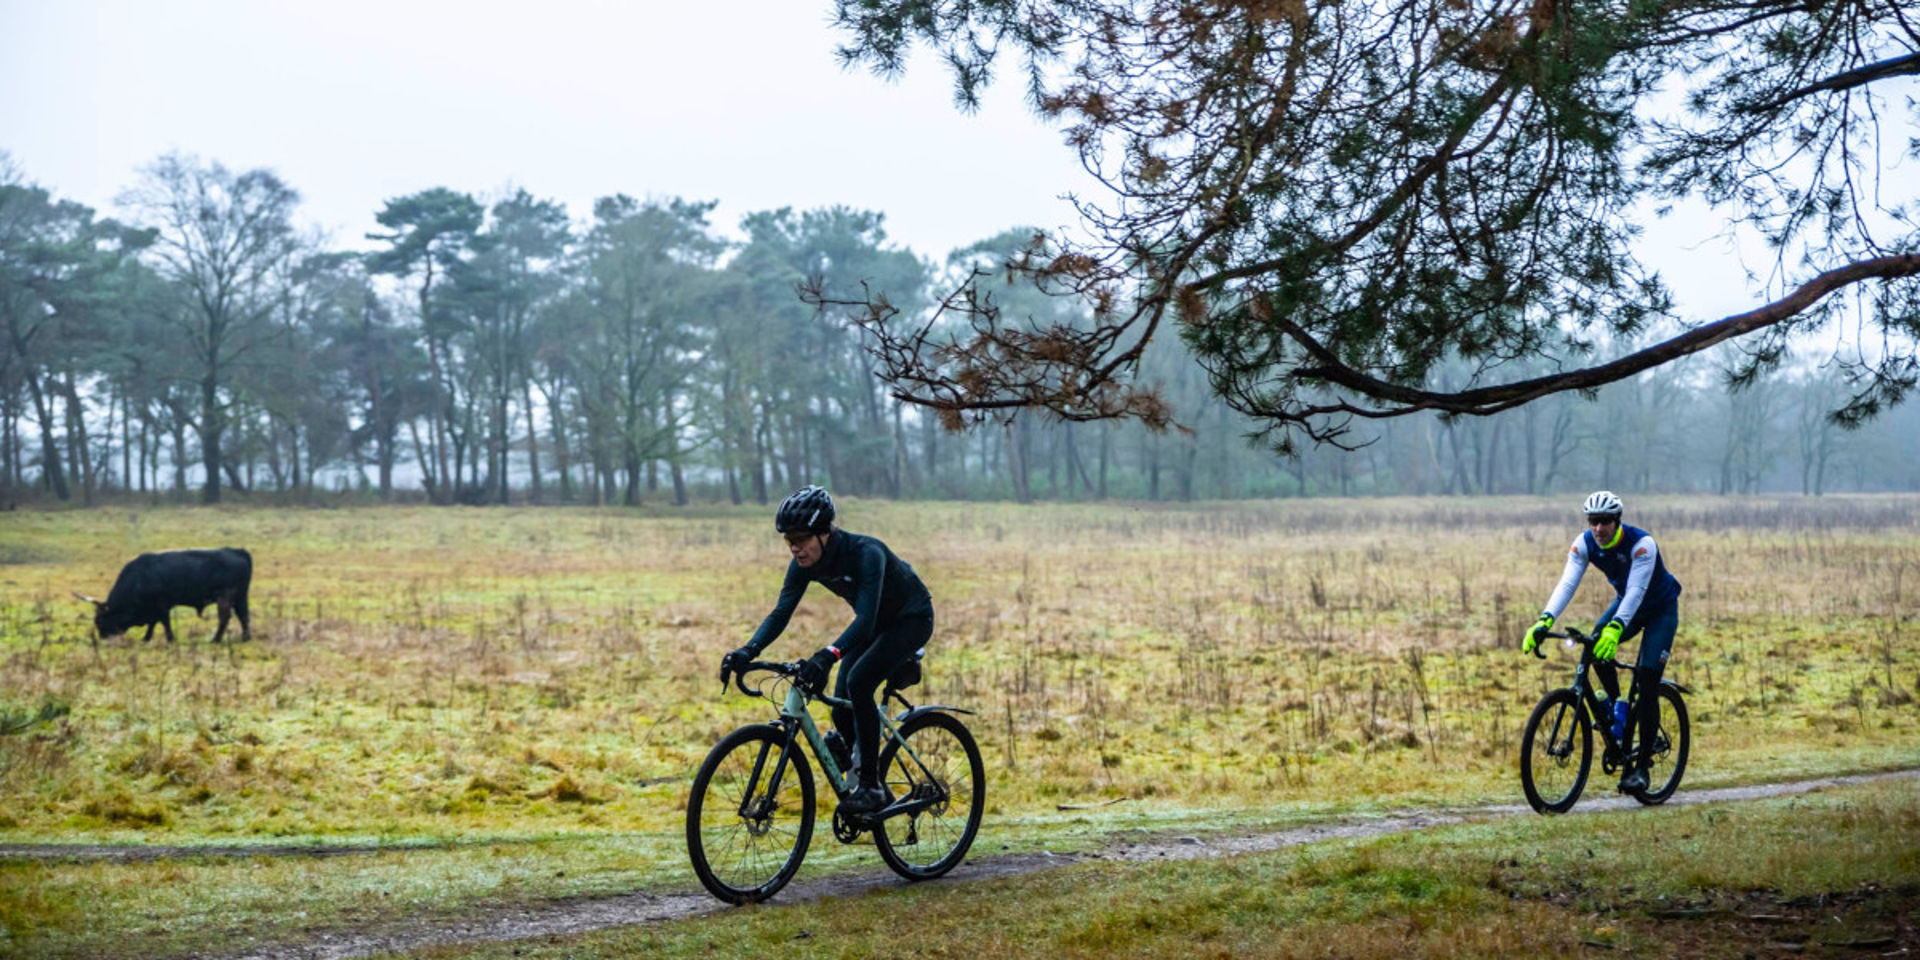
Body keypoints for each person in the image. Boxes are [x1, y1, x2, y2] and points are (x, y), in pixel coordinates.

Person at [718, 485, 934, 815]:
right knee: (841, 702)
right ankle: (859, 765)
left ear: (824, 533)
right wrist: (747, 651)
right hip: (873, 625)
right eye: (788, 539)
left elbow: (864, 619)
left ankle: (871, 786)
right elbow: (781, 612)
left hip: (911, 619)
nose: (794, 547)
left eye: (802, 538)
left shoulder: (866, 553)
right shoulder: (804, 564)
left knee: (860, 682)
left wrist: (827, 655)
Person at [1520, 490, 1683, 794]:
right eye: (1593, 521)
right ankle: (1617, 709)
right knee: (1594, 644)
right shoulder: (1584, 544)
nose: (1598, 528)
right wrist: (1544, 620)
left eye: (1605, 521)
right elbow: (1567, 582)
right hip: (1627, 605)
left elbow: (1635, 591)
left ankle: (1643, 768)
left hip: (1660, 609)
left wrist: (1616, 627)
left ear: (1617, 521)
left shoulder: (1642, 545)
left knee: (1647, 678)